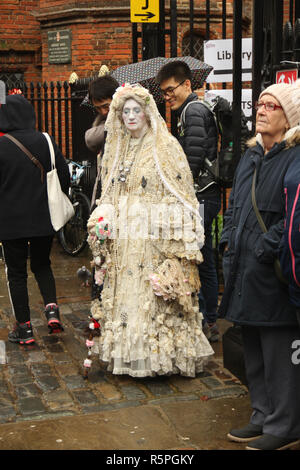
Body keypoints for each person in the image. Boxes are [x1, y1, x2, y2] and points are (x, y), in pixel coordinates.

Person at [87, 84, 214, 378]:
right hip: (125, 239)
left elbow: (181, 194)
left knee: (153, 298)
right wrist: (104, 217)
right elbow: (110, 193)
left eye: (136, 110)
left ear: (146, 113)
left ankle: (160, 359)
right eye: (125, 111)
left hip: (152, 237)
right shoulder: (117, 150)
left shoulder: (165, 147)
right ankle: (129, 356)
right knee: (126, 296)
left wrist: (158, 221)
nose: (130, 116)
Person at [219, 80, 300, 450]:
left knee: (278, 350)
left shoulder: (293, 157)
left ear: (290, 118)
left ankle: (285, 425)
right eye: (261, 104)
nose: (262, 110)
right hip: (243, 267)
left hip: (272, 268)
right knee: (252, 343)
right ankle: (261, 415)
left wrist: (267, 247)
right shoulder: (251, 155)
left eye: (272, 106)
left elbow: (294, 216)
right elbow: (235, 204)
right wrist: (228, 239)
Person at [156, 60, 221, 342]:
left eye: (171, 90)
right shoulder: (188, 111)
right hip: (203, 195)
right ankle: (209, 318)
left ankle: (209, 319)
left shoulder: (192, 111)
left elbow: (191, 161)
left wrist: (177, 188)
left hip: (202, 195)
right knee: (202, 257)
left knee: (200, 258)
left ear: (186, 85)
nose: (167, 96)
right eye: (163, 93)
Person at [0, 94, 70, 345]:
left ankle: (25, 329)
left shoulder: (1, 144)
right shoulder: (46, 140)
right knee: (42, 265)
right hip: (44, 217)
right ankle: (52, 312)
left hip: (10, 222)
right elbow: (63, 175)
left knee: (16, 274)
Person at [84, 73, 119, 210]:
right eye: (98, 108)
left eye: (106, 106)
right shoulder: (105, 121)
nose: (103, 111)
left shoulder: (127, 118)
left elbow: (91, 138)